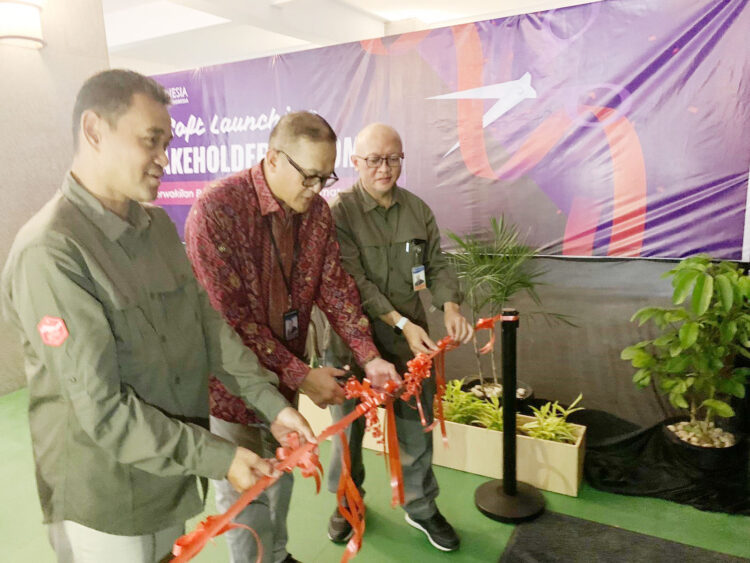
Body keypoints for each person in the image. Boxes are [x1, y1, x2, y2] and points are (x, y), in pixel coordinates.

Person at [0, 69, 314, 563]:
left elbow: (208, 328)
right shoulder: (52, 251)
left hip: (167, 476)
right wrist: (221, 456)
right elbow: (103, 410)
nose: (164, 159)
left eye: (167, 142)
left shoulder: (156, 227)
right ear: (94, 131)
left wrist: (271, 405)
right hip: (105, 499)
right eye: (152, 141)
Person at [184, 111, 401, 563]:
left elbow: (335, 285)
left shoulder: (317, 214)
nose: (317, 189)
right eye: (309, 177)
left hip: (285, 378)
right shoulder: (218, 209)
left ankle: (278, 556)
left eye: (326, 177)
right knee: (245, 495)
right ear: (273, 158)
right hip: (233, 385)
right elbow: (232, 321)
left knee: (282, 474)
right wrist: (303, 376)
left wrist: (369, 354)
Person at [325, 123, 473, 552]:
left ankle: (421, 507)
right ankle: (347, 504)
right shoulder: (339, 214)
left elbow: (437, 264)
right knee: (347, 432)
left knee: (416, 427)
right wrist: (404, 326)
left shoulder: (417, 210)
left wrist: (450, 307)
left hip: (410, 343)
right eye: (374, 159)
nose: (384, 168)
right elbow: (353, 283)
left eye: (393, 158)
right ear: (355, 163)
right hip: (350, 341)